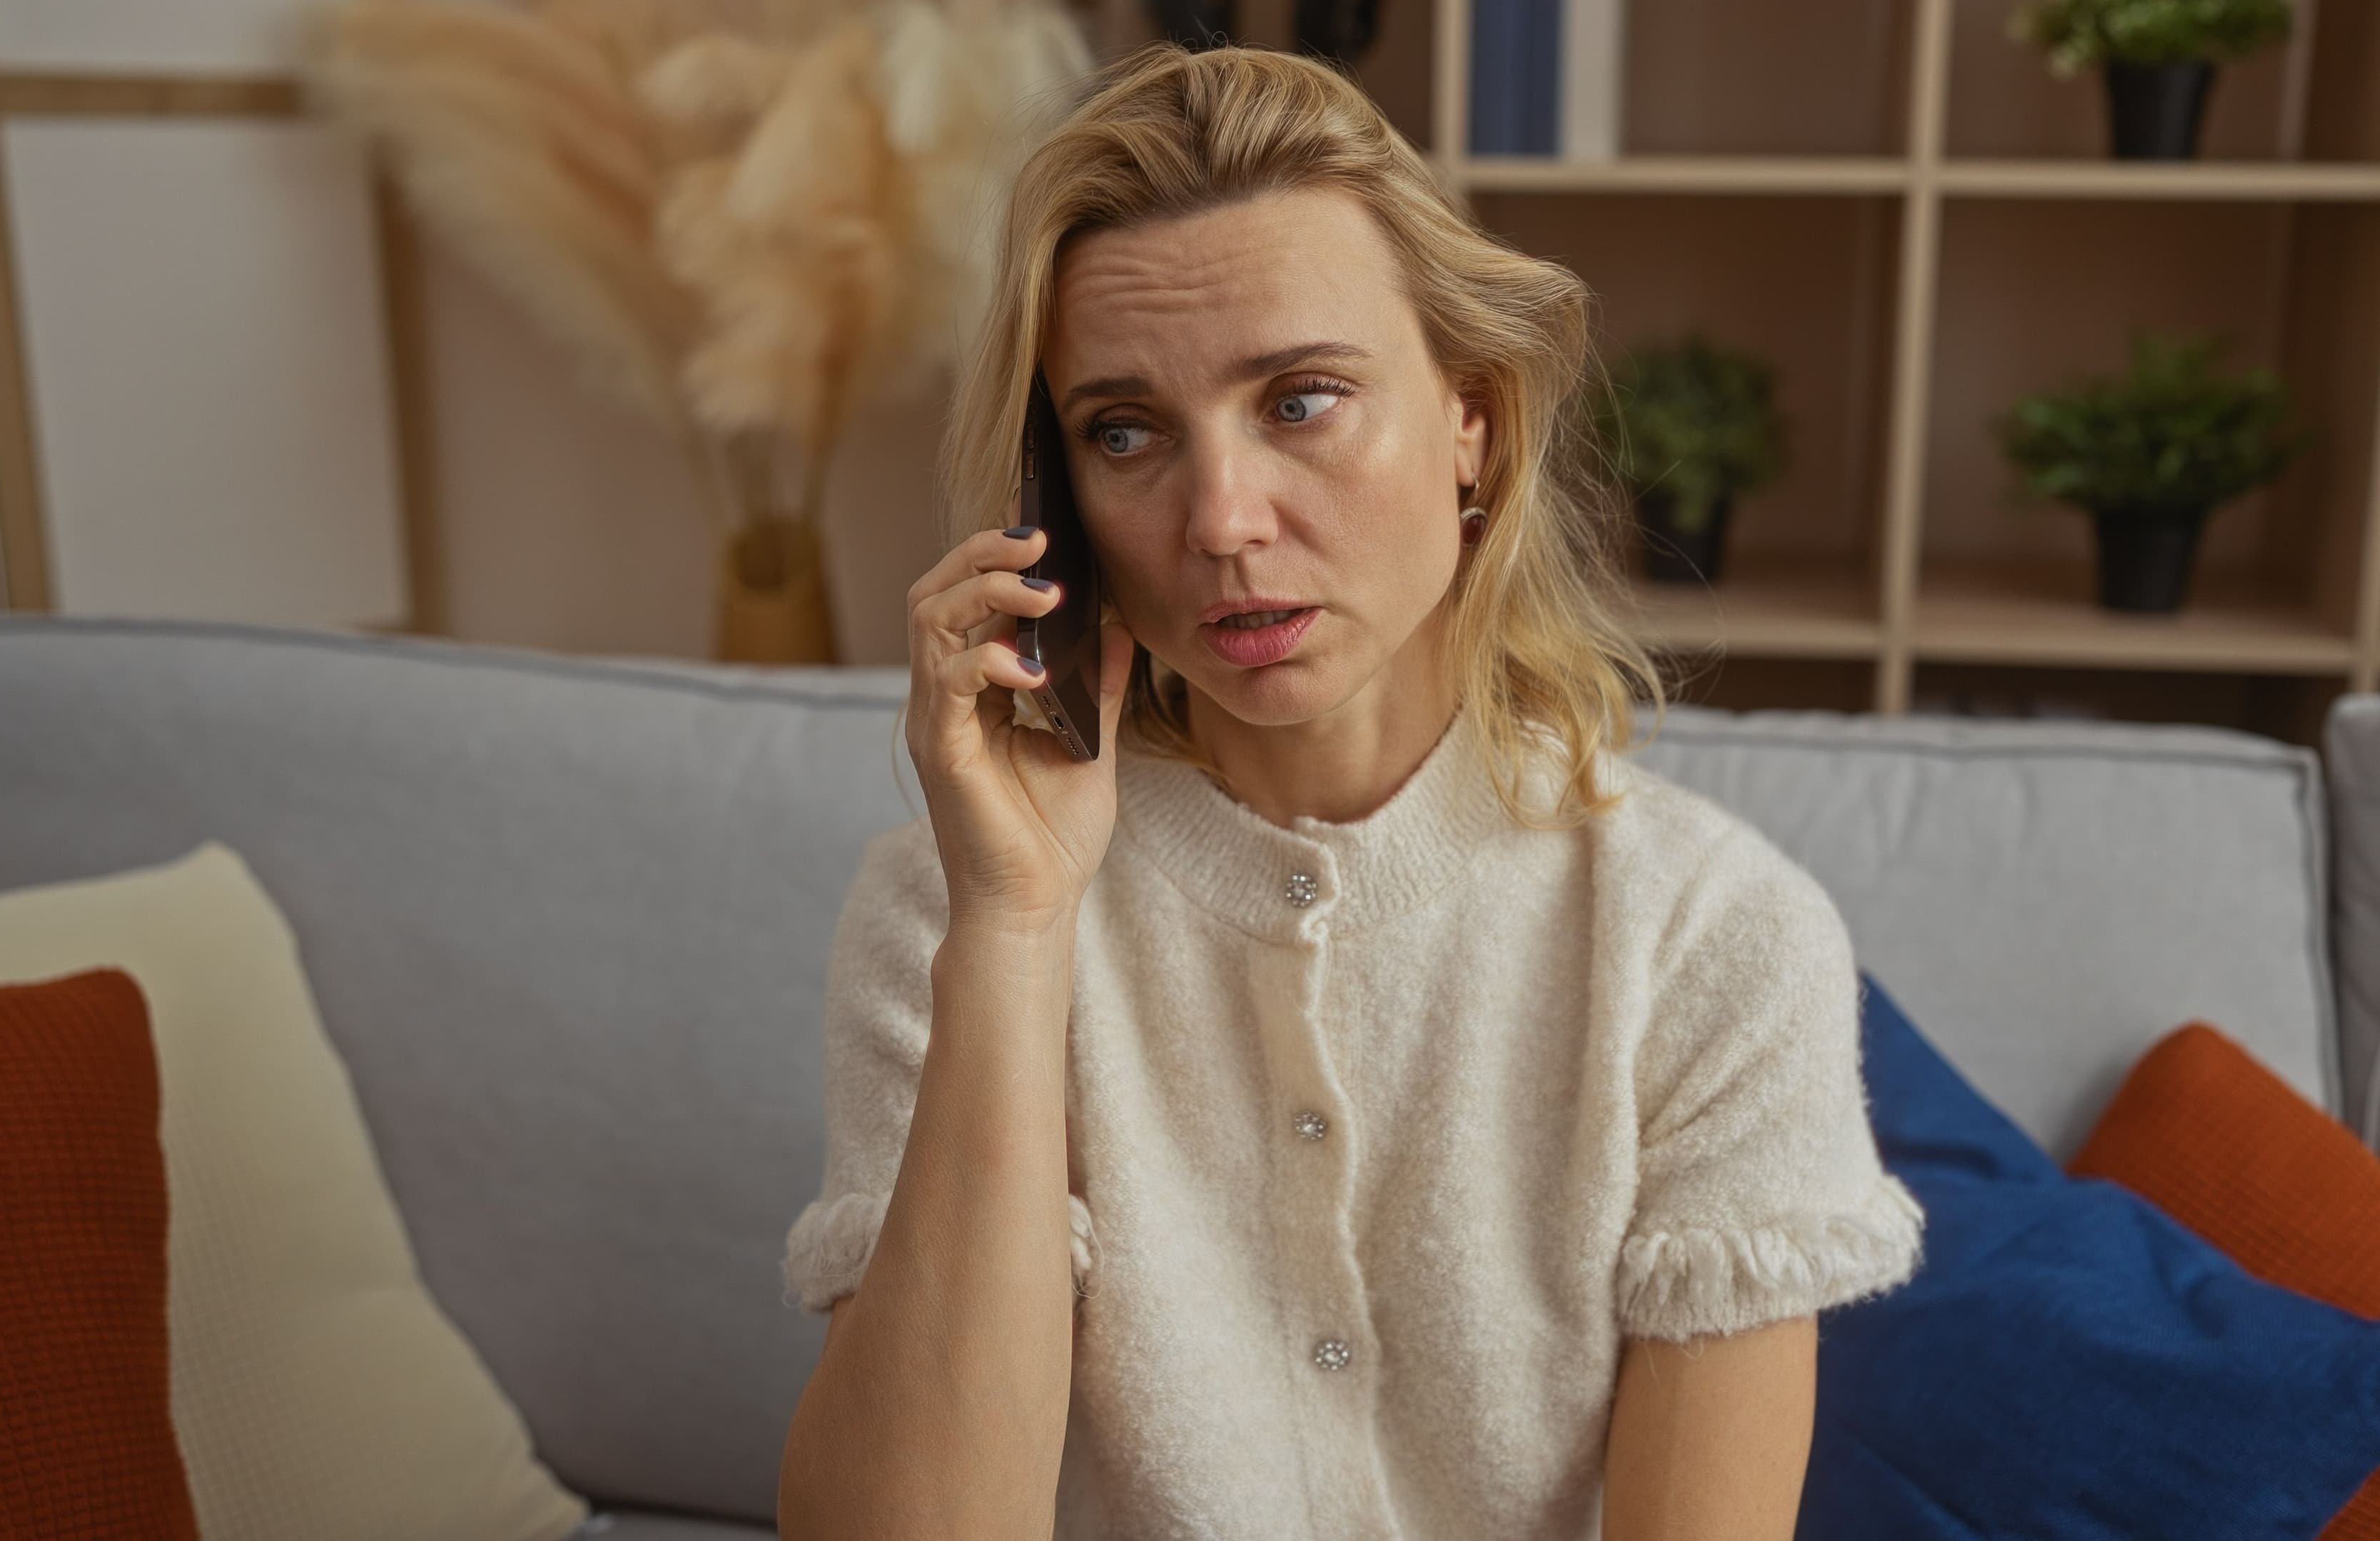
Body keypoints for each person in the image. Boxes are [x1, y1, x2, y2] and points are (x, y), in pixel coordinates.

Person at [774, 39, 1924, 1541]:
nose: (1223, 520)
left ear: (1474, 419)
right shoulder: (952, 907)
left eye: (1302, 400)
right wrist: (1014, 930)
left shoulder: (1713, 940)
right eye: (1125, 433)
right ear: (1059, 506)